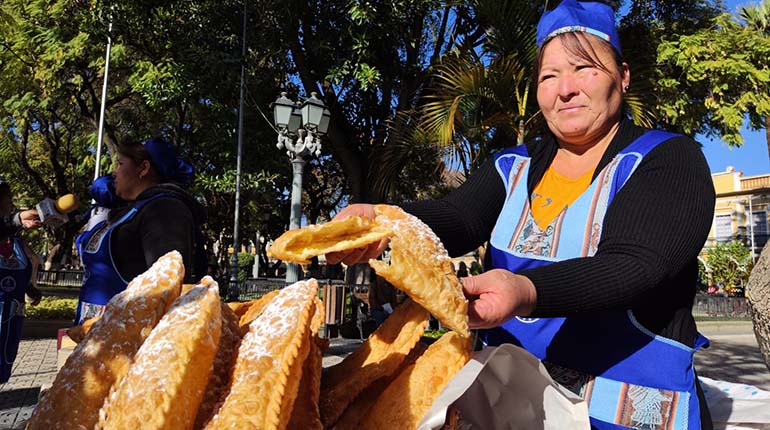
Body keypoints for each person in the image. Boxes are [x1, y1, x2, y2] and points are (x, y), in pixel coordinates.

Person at [327, 1, 716, 428]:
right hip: (512, 410)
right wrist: (389, 223)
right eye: (549, 76)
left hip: (627, 410)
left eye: (584, 69)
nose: (565, 88)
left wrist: (526, 291)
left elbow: (635, 264)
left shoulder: (667, 159)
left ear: (622, 77)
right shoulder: (513, 165)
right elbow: (458, 217)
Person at [75, 137, 207, 324]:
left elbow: (166, 287)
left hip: (128, 341)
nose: (114, 172)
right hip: (96, 337)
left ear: (143, 168)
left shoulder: (165, 209)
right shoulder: (129, 210)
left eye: (120, 164)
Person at [0, 178, 42, 383]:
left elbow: (23, 268)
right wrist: (16, 220)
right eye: (7, 198)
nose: (11, 203)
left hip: (10, 319)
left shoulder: (14, 239)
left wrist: (29, 289)